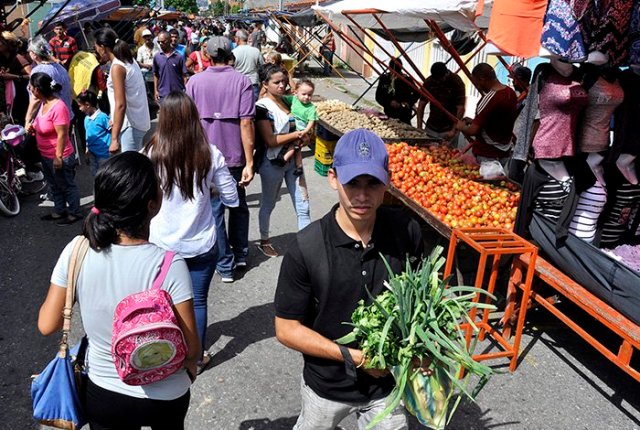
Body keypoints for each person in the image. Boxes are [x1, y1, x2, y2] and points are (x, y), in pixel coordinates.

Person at [274, 128, 424, 430]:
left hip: (387, 387)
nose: (362, 196)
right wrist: (355, 357)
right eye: (352, 182)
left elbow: (419, 300)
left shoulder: (406, 231)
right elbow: (287, 329)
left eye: (372, 183)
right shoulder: (308, 246)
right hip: (327, 388)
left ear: (387, 182)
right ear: (333, 178)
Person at [38, 152, 199, 429]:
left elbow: (46, 324)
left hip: (103, 391)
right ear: (152, 205)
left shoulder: (76, 251)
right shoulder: (170, 264)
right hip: (166, 394)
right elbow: (192, 349)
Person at [145, 91, 238, 372]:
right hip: (201, 243)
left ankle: (163, 352)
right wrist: (210, 189)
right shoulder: (209, 153)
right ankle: (195, 359)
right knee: (197, 301)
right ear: (194, 118)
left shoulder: (152, 152)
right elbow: (232, 198)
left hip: (161, 245)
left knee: (162, 300)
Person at [186, 36, 255, 282]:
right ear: (230, 55)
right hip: (234, 154)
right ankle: (241, 252)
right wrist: (250, 162)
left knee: (214, 210)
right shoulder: (242, 81)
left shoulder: (194, 81)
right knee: (238, 204)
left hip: (204, 155)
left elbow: (190, 122)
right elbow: (246, 122)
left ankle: (225, 265)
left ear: (207, 56)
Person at [255, 64, 311, 258]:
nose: (281, 85)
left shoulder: (287, 101)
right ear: (265, 84)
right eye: (276, 82)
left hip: (294, 161)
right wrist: (297, 134)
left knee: (303, 204)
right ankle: (264, 240)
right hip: (272, 163)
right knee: (268, 204)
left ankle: (307, 247)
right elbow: (270, 141)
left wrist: (303, 138)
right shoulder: (262, 107)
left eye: (284, 81)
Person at [27, 73, 81, 225]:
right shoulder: (44, 103)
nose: (29, 88)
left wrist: (58, 157)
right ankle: (59, 211)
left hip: (59, 155)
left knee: (66, 185)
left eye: (31, 86)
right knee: (54, 185)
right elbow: (45, 125)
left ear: (38, 89)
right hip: (45, 154)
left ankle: (74, 213)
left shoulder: (58, 107)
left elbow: (62, 134)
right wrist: (34, 128)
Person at [94, 28, 150, 153]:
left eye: (96, 48)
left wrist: (114, 139)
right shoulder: (128, 60)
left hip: (130, 124)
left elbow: (121, 105)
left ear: (103, 47)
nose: (96, 52)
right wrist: (113, 116)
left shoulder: (117, 67)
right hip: (137, 121)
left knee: (130, 168)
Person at [456, 63, 518, 165]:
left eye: (477, 84)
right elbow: (498, 120)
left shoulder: (489, 98)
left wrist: (461, 127)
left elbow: (473, 130)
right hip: (504, 152)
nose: (478, 87)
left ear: (482, 79)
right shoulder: (510, 93)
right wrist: (474, 121)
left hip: (488, 153)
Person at [25, 37, 73, 125]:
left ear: (35, 54)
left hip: (50, 119)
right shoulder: (60, 67)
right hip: (66, 115)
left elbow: (35, 99)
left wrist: (28, 120)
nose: (29, 53)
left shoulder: (38, 71)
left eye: (29, 51)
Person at [416, 62, 466, 145]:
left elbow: (460, 108)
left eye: (440, 79)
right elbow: (421, 105)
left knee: (449, 154)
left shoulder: (456, 82)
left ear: (446, 74)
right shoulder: (430, 81)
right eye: (436, 79)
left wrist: (453, 130)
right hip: (431, 127)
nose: (438, 81)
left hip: (449, 129)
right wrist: (419, 127)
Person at [280, 79, 317, 176]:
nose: (306, 97)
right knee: (297, 149)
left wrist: (305, 131)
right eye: (304, 94)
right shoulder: (294, 99)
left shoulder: (311, 108)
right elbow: (281, 99)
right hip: (294, 128)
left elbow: (311, 121)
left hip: (303, 130)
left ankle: (283, 159)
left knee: (295, 144)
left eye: (309, 95)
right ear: (296, 92)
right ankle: (299, 166)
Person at [375, 58, 419, 124]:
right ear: (389, 68)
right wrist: (389, 102)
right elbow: (378, 96)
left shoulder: (407, 80)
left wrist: (406, 103)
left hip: (404, 115)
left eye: (397, 72)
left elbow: (417, 93)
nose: (395, 75)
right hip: (389, 114)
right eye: (393, 71)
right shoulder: (384, 78)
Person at [77, 90, 110, 176]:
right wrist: (87, 149)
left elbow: (112, 131)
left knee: (104, 175)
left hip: (104, 155)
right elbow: (88, 135)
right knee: (95, 174)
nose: (79, 109)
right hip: (92, 154)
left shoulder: (102, 117)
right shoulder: (86, 119)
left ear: (87, 105)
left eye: (80, 106)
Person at [153, 31, 188, 102]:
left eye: (163, 42)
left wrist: (186, 90)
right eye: (159, 42)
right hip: (163, 94)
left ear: (169, 41)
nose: (160, 44)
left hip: (178, 94)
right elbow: (155, 74)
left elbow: (184, 75)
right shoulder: (157, 57)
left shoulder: (179, 57)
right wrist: (156, 90)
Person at [233, 30, 264, 100]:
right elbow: (262, 66)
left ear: (237, 39)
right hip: (253, 82)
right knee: (253, 106)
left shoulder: (234, 52)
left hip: (238, 83)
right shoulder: (256, 51)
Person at [136, 28, 160, 102]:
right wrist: (147, 66)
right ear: (143, 38)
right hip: (147, 75)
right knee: (149, 93)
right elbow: (138, 62)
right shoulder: (141, 49)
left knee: (158, 92)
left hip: (158, 74)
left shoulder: (157, 47)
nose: (147, 38)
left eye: (148, 36)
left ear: (151, 36)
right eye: (145, 37)